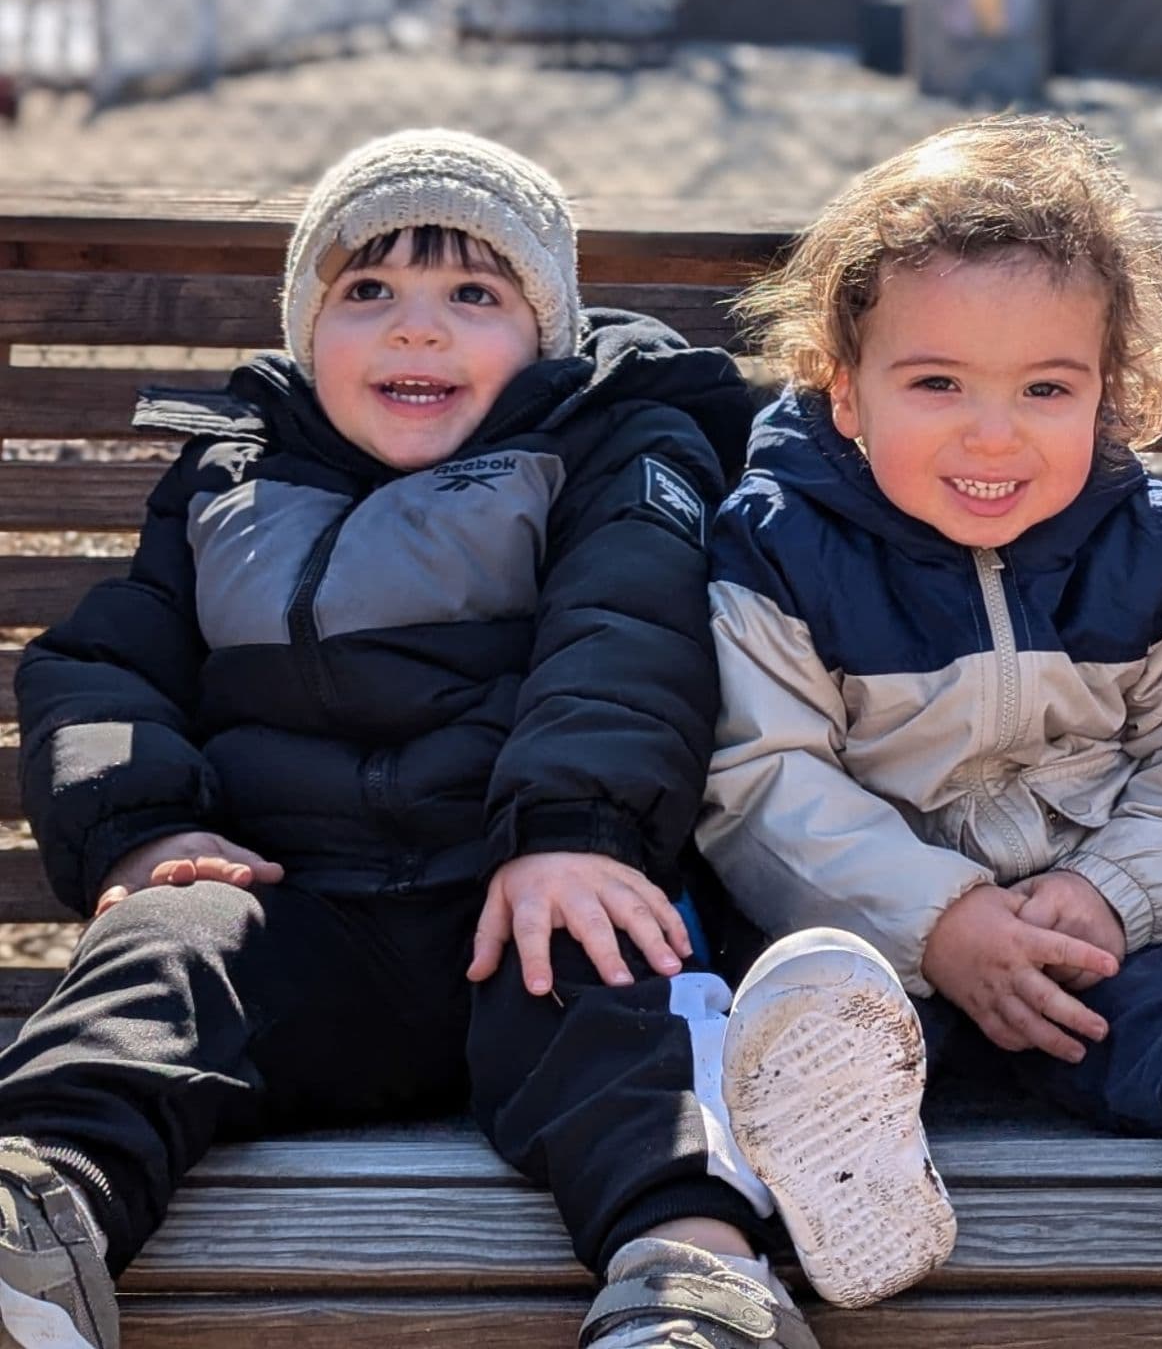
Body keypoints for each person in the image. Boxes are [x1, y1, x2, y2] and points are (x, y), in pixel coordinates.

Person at [0, 130, 817, 1349]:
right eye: (366, 291)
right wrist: (145, 827)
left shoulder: (607, 449)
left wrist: (573, 833)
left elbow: (624, 632)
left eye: (472, 295)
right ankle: (39, 1212)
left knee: (622, 982)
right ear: (304, 330)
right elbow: (104, 663)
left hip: (520, 896)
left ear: (544, 332)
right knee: (167, 945)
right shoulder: (231, 478)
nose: (415, 329)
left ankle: (688, 1279)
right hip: (298, 922)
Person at [698, 117, 1162, 1311]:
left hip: (1085, 941)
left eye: (1046, 388)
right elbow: (763, 778)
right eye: (936, 384)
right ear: (848, 393)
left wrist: (1116, 892)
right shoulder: (777, 547)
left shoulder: (1153, 546)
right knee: (809, 1015)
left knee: (1155, 1016)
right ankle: (848, 1160)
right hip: (868, 943)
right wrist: (942, 921)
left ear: (1108, 393)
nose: (994, 432)